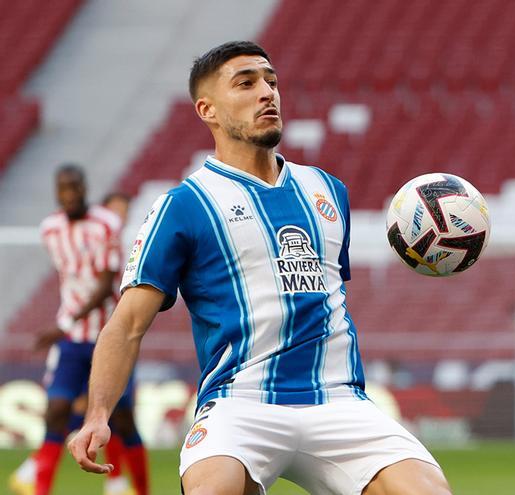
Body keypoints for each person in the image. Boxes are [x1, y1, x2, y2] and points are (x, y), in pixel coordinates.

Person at [68, 41, 451, 495]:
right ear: (207, 109)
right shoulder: (185, 206)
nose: (266, 92)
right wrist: (97, 415)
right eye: (246, 83)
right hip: (238, 404)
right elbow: (127, 324)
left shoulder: (327, 190)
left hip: (339, 400)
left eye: (271, 81)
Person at [18, 167, 149, 495]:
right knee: (57, 411)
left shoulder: (106, 225)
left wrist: (62, 323)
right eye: (63, 190)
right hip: (73, 340)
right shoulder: (50, 230)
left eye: (75, 188)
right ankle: (41, 489)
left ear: (84, 188)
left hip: (108, 337)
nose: (70, 195)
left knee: (122, 419)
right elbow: (71, 278)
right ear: (57, 193)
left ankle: (140, 489)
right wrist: (67, 322)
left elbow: (106, 284)